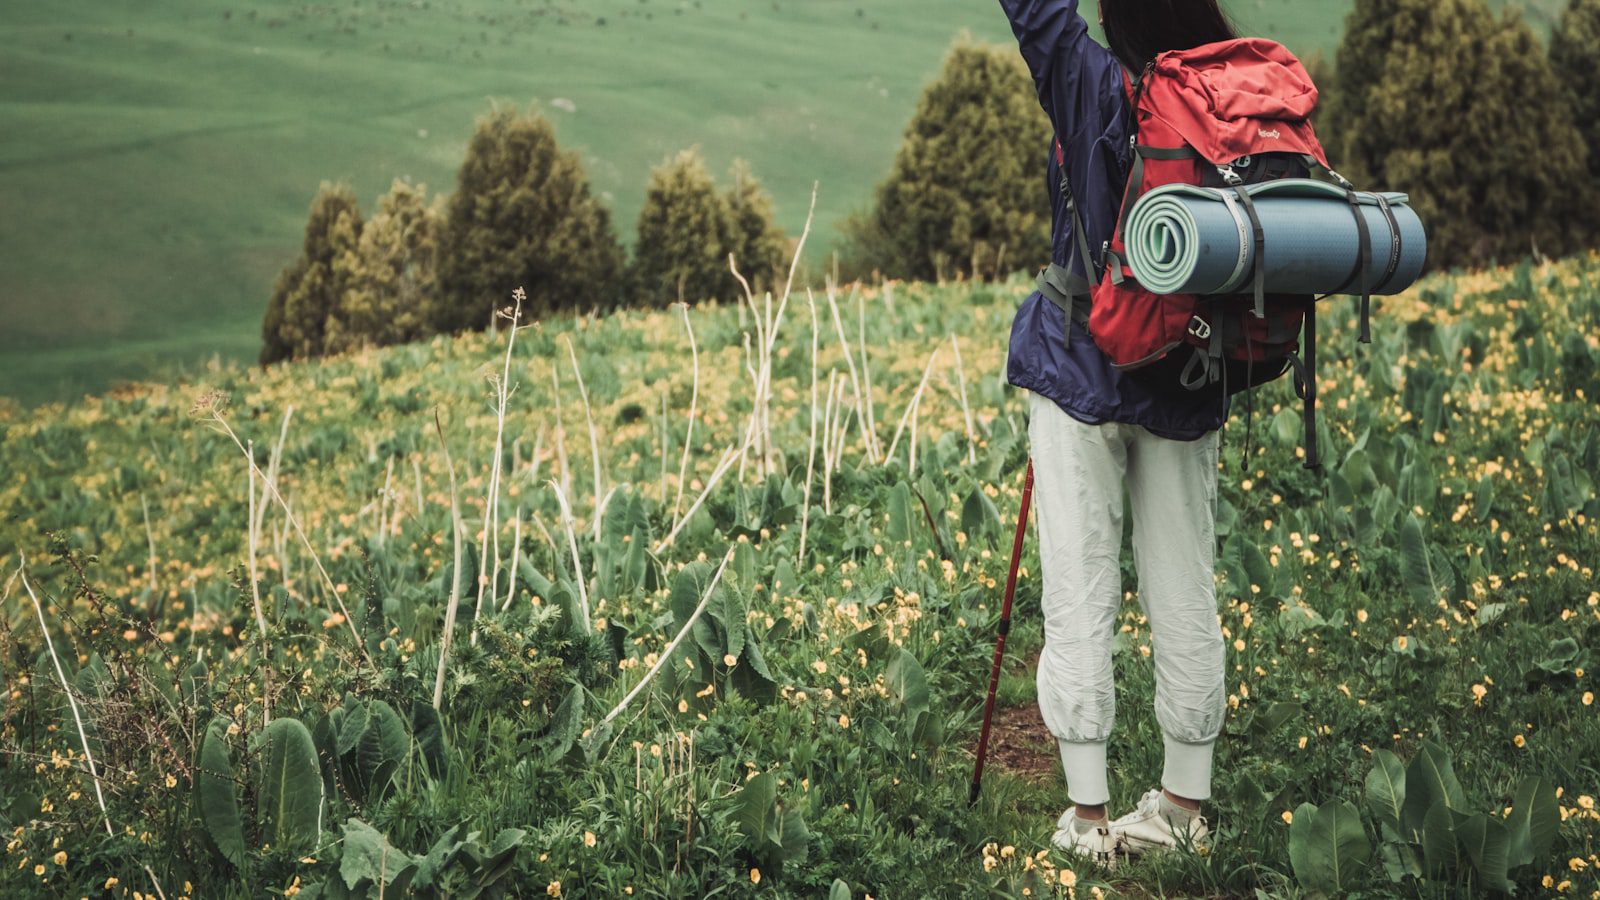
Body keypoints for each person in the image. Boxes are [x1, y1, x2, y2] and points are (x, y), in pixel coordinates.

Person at [996, 0, 1239, 865]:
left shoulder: (1092, 83)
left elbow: (1036, 15)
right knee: (1185, 587)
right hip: (1189, 372)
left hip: (1081, 369)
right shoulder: (1225, 98)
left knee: (1080, 589)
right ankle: (1185, 807)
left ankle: (1089, 820)